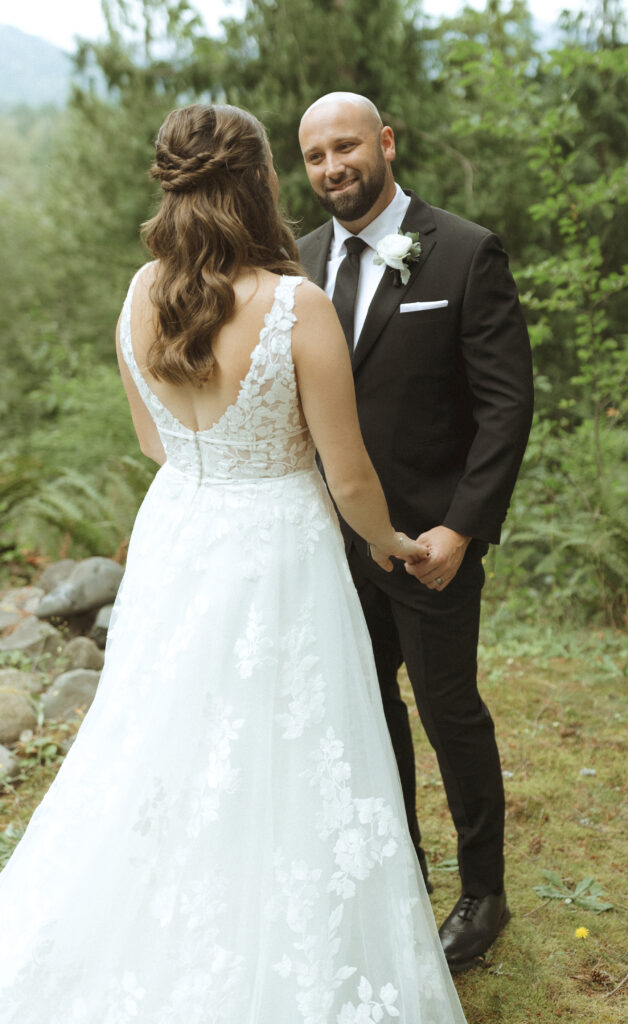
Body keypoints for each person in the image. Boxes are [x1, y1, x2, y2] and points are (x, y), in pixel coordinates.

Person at [0, 104, 471, 1024]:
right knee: (286, 743)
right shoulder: (296, 304)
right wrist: (394, 543)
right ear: (260, 182)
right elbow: (348, 473)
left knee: (165, 735)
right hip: (278, 548)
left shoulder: (140, 292)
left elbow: (154, 443)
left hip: (183, 530)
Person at [297, 92, 534, 972]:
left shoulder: (466, 252)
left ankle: (483, 893)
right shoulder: (298, 261)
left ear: (386, 143)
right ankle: (400, 879)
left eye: (347, 147)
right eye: (317, 155)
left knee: (448, 714)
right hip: (329, 546)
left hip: (430, 549)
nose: (333, 168)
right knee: (364, 715)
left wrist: (461, 530)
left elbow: (507, 406)